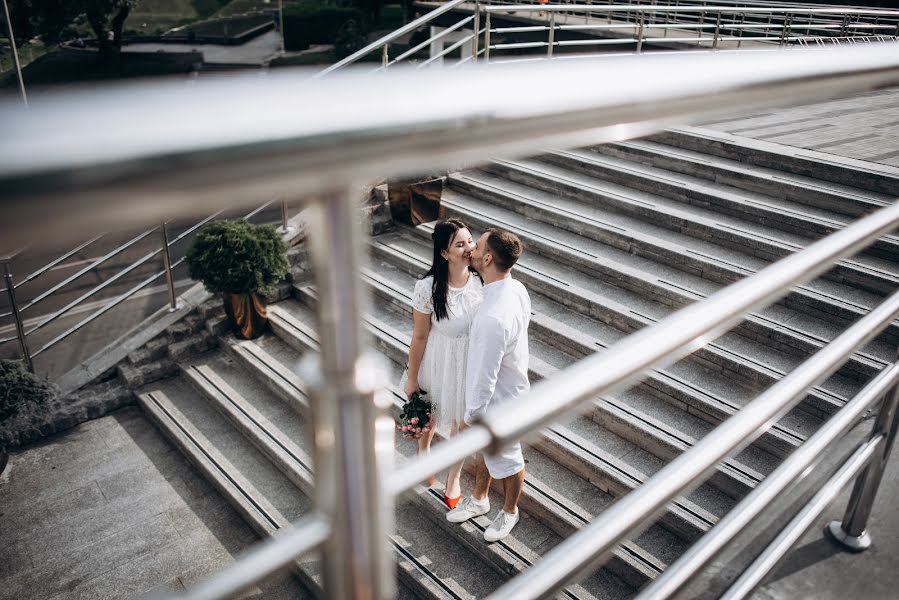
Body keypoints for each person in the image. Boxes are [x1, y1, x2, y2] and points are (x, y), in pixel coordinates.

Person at [447, 228, 529, 543]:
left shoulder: (493, 317)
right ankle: (480, 498)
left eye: (476, 245)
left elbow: (485, 376)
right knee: (490, 452)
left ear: (488, 257)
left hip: (500, 401)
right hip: (511, 386)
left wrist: (472, 417)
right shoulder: (515, 287)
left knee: (510, 459)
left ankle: (510, 511)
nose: (471, 249)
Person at [402, 219, 483, 509]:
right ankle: (423, 450)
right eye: (460, 244)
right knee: (432, 414)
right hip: (438, 359)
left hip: (470, 362)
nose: (469, 248)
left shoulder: (481, 280)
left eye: (470, 241)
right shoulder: (427, 287)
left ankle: (454, 476)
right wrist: (412, 378)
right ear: (444, 253)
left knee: (463, 423)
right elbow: (420, 335)